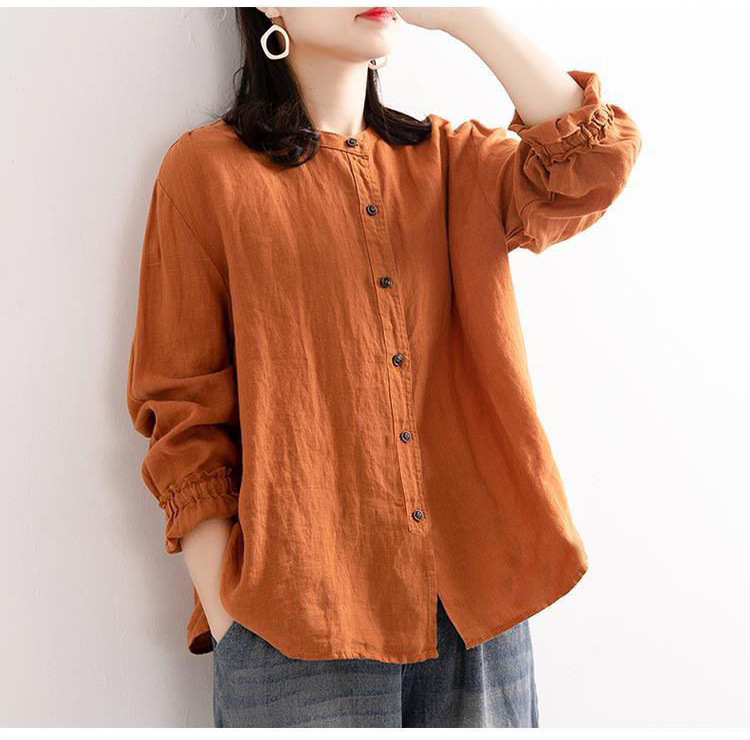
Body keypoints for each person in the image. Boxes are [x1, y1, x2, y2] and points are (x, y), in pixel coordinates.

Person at [126, 6, 641, 728]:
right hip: (296, 620)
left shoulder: (453, 161)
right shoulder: (207, 171)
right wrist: (230, 617)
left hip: (477, 606)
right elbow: (183, 408)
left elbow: (594, 163)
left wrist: (465, 17)